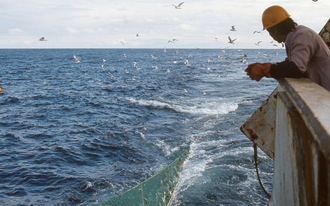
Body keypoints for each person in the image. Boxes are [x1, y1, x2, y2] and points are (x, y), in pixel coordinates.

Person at [245, 5, 330, 92]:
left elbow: (296, 68)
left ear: (275, 31)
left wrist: (265, 70)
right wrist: (264, 66)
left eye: (269, 32)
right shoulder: (295, 36)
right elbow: (290, 63)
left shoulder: (303, 35)